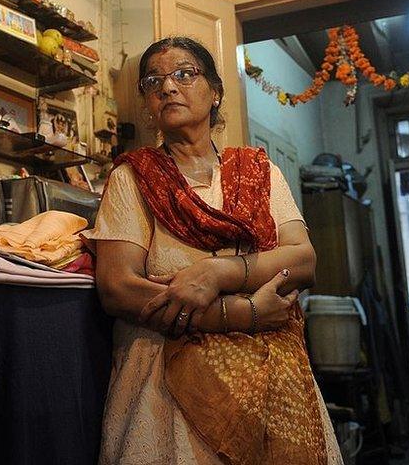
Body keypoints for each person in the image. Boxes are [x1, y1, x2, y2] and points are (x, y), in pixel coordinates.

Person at [85, 36, 343, 464]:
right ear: (148, 105)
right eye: (153, 81)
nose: (168, 87)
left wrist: (215, 274)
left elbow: (303, 259)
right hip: (165, 386)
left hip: (268, 380)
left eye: (184, 74)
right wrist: (240, 314)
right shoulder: (133, 179)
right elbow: (118, 288)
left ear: (215, 92)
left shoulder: (258, 171)